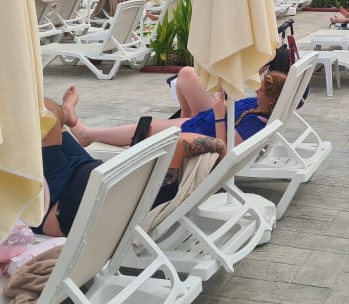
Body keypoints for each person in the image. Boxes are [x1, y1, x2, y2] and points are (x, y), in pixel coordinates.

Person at [35, 93, 225, 238]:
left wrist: (220, 144)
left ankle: (64, 113)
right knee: (44, 114)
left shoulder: (162, 188)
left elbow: (181, 141)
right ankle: (65, 113)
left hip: (64, 203)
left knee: (42, 110)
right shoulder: (164, 185)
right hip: (89, 173)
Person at [67, 66, 287, 149]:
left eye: (261, 91)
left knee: (146, 128)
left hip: (202, 132)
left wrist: (220, 115)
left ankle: (86, 135)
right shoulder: (261, 107)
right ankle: (181, 120)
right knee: (187, 74)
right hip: (206, 119)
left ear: (271, 101)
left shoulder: (253, 125)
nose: (256, 91)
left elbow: (224, 152)